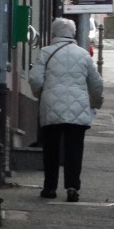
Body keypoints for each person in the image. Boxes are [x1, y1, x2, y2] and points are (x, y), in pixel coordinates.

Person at [30, 17, 104, 202]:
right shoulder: (83, 55)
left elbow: (36, 79)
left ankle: (49, 188)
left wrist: (42, 93)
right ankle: (72, 187)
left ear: (54, 33)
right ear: (73, 33)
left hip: (51, 105)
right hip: (78, 107)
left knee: (51, 148)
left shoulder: (45, 53)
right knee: (74, 149)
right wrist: (95, 102)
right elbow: (96, 83)